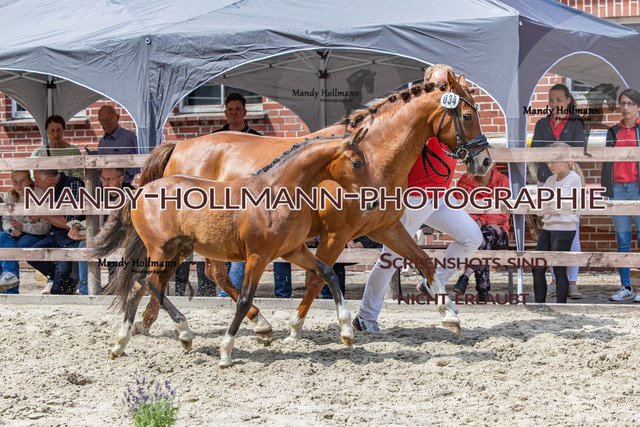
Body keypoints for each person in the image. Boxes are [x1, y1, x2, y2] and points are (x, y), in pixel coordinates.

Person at [352, 64, 483, 333]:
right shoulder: (420, 116)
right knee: (391, 258)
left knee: (472, 237)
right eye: (440, 85)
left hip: (438, 196)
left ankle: (432, 282)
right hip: (415, 196)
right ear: (426, 87)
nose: (445, 90)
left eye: (448, 85)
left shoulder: (451, 116)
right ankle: (365, 316)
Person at [208, 92, 292, 298]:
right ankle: (227, 292)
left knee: (245, 246)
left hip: (247, 198)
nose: (234, 113)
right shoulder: (217, 137)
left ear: (245, 112)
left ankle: (233, 294)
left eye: (238, 109)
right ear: (225, 113)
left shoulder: (255, 138)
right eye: (230, 109)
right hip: (222, 197)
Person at [530, 84, 585, 299]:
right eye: (551, 100)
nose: (555, 104)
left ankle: (572, 282)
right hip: (547, 178)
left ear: (568, 100)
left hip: (568, 176)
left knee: (571, 228)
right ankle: (554, 280)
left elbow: (577, 148)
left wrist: (557, 155)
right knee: (549, 226)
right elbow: (535, 151)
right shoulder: (542, 123)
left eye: (559, 100)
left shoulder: (576, 122)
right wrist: (552, 160)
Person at [67, 168, 134, 295]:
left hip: (122, 238)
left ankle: (115, 287)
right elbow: (84, 220)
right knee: (84, 245)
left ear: (121, 179)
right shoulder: (97, 194)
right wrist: (78, 230)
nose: (105, 183)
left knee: (121, 246)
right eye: (103, 179)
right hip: (102, 237)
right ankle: (86, 291)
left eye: (109, 179)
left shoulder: (130, 194)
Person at [532, 142, 584, 303]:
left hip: (564, 228)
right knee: (537, 267)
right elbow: (541, 207)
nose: (550, 164)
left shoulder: (573, 178)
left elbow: (555, 205)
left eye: (554, 160)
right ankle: (540, 303)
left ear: (567, 160)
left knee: (559, 269)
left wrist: (546, 205)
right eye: (548, 161)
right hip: (548, 226)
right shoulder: (550, 179)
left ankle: (561, 305)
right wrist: (546, 206)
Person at [601, 88, 640, 302]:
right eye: (622, 103)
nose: (625, 108)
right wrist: (606, 189)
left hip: (638, 188)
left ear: (637, 107)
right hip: (617, 189)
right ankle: (626, 286)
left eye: (630, 104)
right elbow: (606, 162)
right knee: (623, 239)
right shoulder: (613, 131)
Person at [453, 163, 511, 301]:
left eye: (485, 162)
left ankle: (467, 276)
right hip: (474, 230)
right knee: (482, 239)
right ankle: (482, 291)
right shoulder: (464, 181)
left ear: (492, 163)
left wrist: (481, 221)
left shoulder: (502, 181)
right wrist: (481, 222)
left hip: (499, 232)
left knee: (484, 236)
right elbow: (458, 210)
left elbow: (503, 214)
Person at [27, 170, 85, 295]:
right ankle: (66, 282)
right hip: (58, 236)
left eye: (37, 180)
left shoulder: (72, 184)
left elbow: (69, 222)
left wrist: (41, 214)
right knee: (31, 254)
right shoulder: (49, 191)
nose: (36, 184)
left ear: (48, 179)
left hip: (75, 237)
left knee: (61, 272)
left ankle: (62, 285)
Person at [0, 171, 51, 293]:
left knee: (17, 246)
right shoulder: (10, 196)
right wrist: (12, 230)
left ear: (29, 180)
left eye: (22, 181)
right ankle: (9, 276)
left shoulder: (39, 194)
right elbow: (6, 220)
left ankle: (10, 286)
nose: (19, 185)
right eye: (15, 182)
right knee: (2, 237)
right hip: (16, 232)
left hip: (35, 233)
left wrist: (23, 227)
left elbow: (46, 226)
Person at [97, 105, 140, 184]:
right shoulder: (102, 143)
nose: (106, 123)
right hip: (104, 187)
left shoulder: (129, 137)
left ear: (117, 117)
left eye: (109, 119)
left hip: (123, 185)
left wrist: (121, 167)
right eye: (103, 120)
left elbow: (138, 166)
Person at [31, 115, 83, 179]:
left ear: (63, 130)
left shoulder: (73, 151)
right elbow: (34, 178)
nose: (55, 134)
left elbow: (78, 177)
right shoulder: (38, 153)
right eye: (52, 131)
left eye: (58, 130)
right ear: (46, 131)